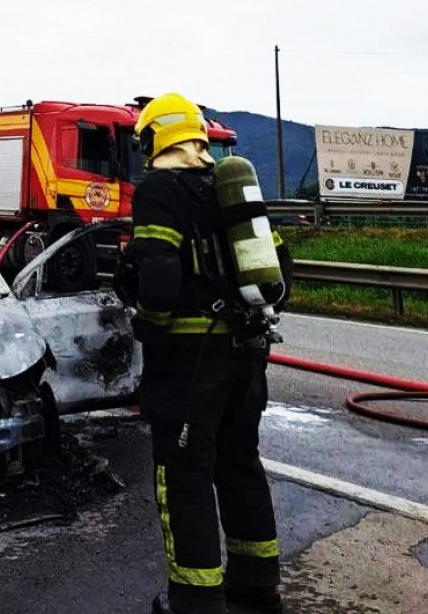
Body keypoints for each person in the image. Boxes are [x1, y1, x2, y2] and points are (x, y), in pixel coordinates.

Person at [125, 93, 293, 614]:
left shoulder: (159, 190)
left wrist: (147, 329)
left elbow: (158, 282)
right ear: (197, 138)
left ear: (155, 140)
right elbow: (281, 266)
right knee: (240, 463)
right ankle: (258, 587)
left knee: (185, 475)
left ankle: (195, 603)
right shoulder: (232, 191)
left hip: (190, 363)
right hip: (248, 352)